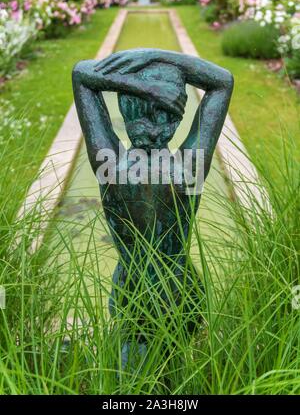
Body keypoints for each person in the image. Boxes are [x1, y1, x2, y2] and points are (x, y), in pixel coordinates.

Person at [72, 48, 234, 360]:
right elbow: (222, 81)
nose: (156, 127)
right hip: (181, 290)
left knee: (134, 367)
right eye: (151, 114)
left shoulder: (111, 165)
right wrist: (165, 64)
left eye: (165, 115)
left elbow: (82, 74)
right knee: (175, 365)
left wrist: (135, 80)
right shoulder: (188, 165)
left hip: (133, 293)